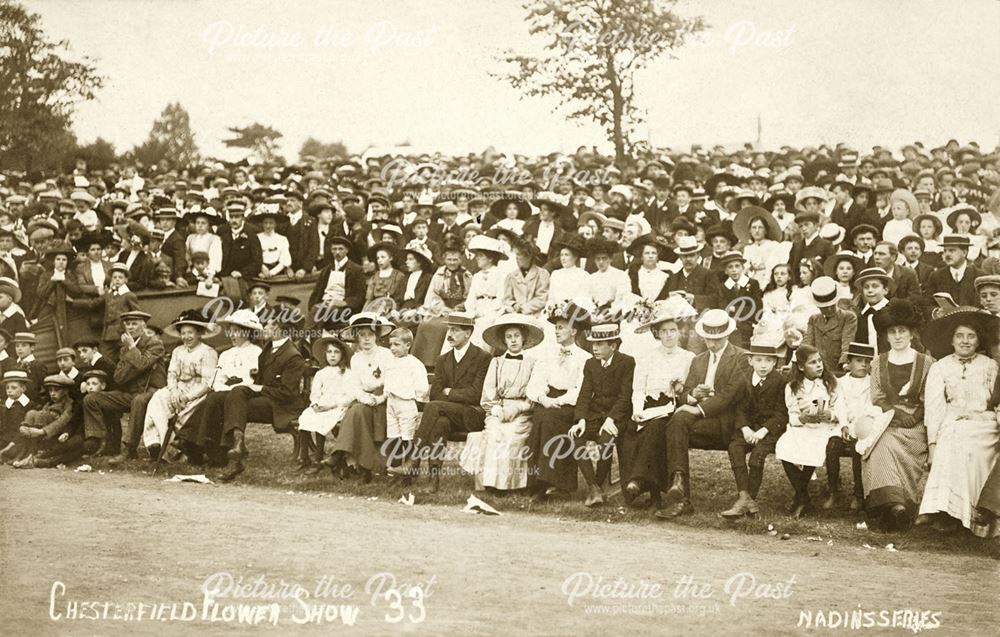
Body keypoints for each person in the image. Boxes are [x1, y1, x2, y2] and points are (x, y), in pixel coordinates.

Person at [190, 304, 306, 482]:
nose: (264, 327)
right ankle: (232, 447)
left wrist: (260, 388)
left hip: (282, 406)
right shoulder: (269, 349)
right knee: (230, 394)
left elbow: (288, 393)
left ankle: (234, 451)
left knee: (235, 398)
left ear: (279, 328)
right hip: (267, 399)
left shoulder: (292, 355)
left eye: (268, 324)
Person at [657, 310, 749, 519]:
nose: (712, 343)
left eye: (717, 339)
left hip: (728, 423)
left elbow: (730, 396)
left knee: (678, 422)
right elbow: (685, 394)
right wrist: (692, 396)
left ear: (727, 335)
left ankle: (679, 490)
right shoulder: (698, 360)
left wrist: (697, 408)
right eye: (709, 339)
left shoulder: (741, 358)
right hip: (702, 422)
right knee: (674, 423)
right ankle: (680, 489)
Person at [918, 307, 1000, 535]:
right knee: (954, 434)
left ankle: (971, 512)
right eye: (960, 336)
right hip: (951, 420)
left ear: (978, 340)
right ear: (951, 340)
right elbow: (934, 408)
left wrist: (984, 416)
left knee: (965, 438)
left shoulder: (990, 366)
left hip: (985, 423)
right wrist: (932, 445)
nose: (965, 341)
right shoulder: (940, 367)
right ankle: (943, 510)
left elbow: (995, 402)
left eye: (971, 336)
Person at [395, 312, 492, 492]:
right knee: (440, 422)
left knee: (434, 408)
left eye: (455, 330)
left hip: (472, 415)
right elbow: (435, 394)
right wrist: (452, 395)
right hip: (445, 414)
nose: (450, 334)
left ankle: (413, 461)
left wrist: (450, 392)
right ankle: (433, 480)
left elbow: (476, 395)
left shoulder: (483, 358)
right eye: (449, 329)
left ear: (468, 333)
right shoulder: (443, 359)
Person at [861, 300, 933, 531]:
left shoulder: (927, 363)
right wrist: (895, 414)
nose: (898, 336)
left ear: (912, 333)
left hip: (917, 426)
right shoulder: (877, 362)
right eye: (893, 332)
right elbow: (877, 396)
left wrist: (916, 414)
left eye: (902, 331)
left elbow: (930, 398)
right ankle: (894, 506)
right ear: (886, 336)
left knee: (890, 446)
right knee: (880, 444)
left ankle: (897, 505)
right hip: (888, 422)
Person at [621, 298, 696, 508]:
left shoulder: (688, 358)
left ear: (679, 331)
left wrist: (679, 388)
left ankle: (639, 481)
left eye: (673, 330)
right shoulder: (646, 358)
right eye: (664, 331)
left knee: (655, 429)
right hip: (646, 408)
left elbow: (687, 390)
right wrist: (636, 411)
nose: (669, 335)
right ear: (657, 334)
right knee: (630, 430)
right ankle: (645, 490)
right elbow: (638, 389)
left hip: (673, 408)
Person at [463, 314, 541, 491]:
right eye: (509, 337)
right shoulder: (496, 362)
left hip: (522, 412)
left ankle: (512, 485)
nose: (513, 340)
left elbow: (534, 393)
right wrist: (497, 409)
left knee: (512, 436)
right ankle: (491, 483)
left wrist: (519, 408)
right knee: (494, 435)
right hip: (498, 409)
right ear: (504, 341)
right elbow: (489, 391)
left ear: (523, 338)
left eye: (516, 336)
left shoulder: (533, 363)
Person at [526, 302, 590, 500]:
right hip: (547, 400)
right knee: (542, 416)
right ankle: (538, 482)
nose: (557, 331)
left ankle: (558, 484)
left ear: (574, 330)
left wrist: (560, 401)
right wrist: (543, 398)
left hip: (570, 404)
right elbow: (536, 381)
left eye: (561, 327)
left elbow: (581, 389)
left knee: (552, 419)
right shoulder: (547, 354)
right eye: (555, 327)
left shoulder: (585, 358)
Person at [82, 310, 166, 458]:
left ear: (144, 325)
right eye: (128, 324)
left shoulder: (155, 344)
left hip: (152, 393)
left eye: (135, 323)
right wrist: (132, 358)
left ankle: (129, 449)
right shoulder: (124, 349)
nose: (131, 327)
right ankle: (97, 440)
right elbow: (119, 377)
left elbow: (141, 364)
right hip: (132, 393)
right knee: (91, 398)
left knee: (138, 401)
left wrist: (132, 350)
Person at [137, 311, 220, 461]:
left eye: (190, 333)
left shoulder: (208, 352)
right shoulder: (178, 351)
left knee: (190, 410)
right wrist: (174, 392)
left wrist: (187, 397)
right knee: (158, 398)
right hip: (179, 388)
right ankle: (157, 444)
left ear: (199, 333)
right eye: (183, 333)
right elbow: (172, 374)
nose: (186, 337)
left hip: (198, 392)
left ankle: (179, 449)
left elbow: (209, 382)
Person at [323, 313, 395, 482]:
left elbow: (391, 382)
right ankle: (362, 467)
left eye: (370, 334)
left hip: (385, 401)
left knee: (356, 413)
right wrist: (365, 398)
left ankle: (340, 455)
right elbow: (356, 386)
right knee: (357, 412)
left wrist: (379, 398)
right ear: (356, 338)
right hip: (364, 401)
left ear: (376, 335)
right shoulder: (356, 359)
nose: (366, 339)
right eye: (362, 335)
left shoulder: (386, 355)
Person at [570, 323, 635, 507]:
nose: (594, 348)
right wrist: (580, 419)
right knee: (576, 437)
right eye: (593, 344)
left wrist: (611, 419)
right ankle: (594, 487)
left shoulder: (627, 362)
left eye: (599, 344)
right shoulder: (590, 364)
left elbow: (625, 397)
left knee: (606, 441)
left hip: (618, 416)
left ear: (613, 346)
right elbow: (584, 394)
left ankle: (597, 485)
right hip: (595, 415)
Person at [720, 338, 787, 518]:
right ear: (750, 361)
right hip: (749, 428)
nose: (763, 365)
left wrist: (763, 430)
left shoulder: (780, 381)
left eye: (768, 360)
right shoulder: (744, 378)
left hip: (769, 431)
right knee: (735, 447)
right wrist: (745, 428)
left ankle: (748, 500)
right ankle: (745, 498)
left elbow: (781, 414)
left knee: (757, 455)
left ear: (775, 362)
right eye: (758, 360)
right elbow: (739, 407)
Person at [775, 345, 841, 518]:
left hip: (823, 428)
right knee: (784, 447)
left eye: (820, 361)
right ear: (802, 367)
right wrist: (802, 419)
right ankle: (803, 496)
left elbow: (840, 408)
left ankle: (801, 498)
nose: (819, 365)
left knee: (814, 448)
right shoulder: (793, 387)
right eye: (813, 363)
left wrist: (831, 414)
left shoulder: (830, 383)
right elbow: (792, 414)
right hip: (802, 427)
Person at [822, 342, 874, 512]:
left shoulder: (872, 383)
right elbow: (839, 406)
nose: (863, 365)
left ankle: (859, 494)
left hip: (861, 427)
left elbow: (869, 407)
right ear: (849, 363)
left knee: (857, 450)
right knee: (832, 447)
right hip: (841, 425)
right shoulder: (840, 383)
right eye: (859, 361)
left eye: (867, 361)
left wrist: (854, 427)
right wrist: (844, 425)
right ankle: (833, 491)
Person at [296, 335, 355, 475]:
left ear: (342, 355)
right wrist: (315, 404)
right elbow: (315, 393)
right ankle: (304, 457)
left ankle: (318, 459)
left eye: (336, 352)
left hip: (337, 407)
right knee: (305, 419)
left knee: (321, 424)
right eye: (329, 352)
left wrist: (332, 406)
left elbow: (350, 395)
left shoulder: (347, 373)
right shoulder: (321, 373)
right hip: (321, 405)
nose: (332, 356)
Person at [381, 327, 429, 471]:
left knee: (406, 437)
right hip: (391, 403)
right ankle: (394, 468)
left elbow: (422, 387)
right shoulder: (390, 362)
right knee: (393, 436)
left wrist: (411, 395)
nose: (392, 348)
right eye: (390, 345)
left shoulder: (415, 364)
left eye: (396, 344)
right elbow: (387, 380)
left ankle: (408, 470)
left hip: (406, 404)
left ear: (407, 345)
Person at [9, 375, 76, 469]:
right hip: (40, 431)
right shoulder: (49, 403)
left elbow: (63, 421)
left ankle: (32, 454)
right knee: (31, 413)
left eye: (56, 390)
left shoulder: (69, 404)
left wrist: (42, 431)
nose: (52, 393)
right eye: (50, 390)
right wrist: (25, 426)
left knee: (41, 415)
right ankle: (25, 452)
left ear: (65, 391)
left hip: (55, 433)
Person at [308, 236, 367, 332]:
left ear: (347, 250)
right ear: (331, 251)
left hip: (342, 307)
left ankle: (304, 340)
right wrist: (313, 305)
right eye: (334, 249)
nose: (337, 252)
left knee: (319, 311)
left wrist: (345, 302)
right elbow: (316, 292)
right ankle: (313, 340)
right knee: (316, 309)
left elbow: (360, 295)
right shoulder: (326, 270)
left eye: (341, 249)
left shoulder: (356, 270)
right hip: (324, 303)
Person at [802, 276, 859, 373]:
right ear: (817, 306)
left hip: (838, 369)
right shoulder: (813, 319)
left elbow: (847, 342)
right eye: (824, 307)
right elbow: (807, 343)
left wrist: (844, 364)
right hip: (816, 370)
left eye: (832, 305)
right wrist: (798, 360)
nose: (829, 310)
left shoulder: (848, 317)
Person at [99, 263, 141, 361]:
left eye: (120, 277)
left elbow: (137, 314)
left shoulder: (128, 295)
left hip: (122, 334)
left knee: (124, 358)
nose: (117, 279)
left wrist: (131, 331)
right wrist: (73, 301)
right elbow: (94, 303)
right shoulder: (109, 294)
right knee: (106, 358)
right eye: (115, 277)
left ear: (126, 280)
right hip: (108, 334)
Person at [925, 235, 982, 306]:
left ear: (964, 252)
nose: (947, 254)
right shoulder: (936, 276)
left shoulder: (979, 276)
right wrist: (936, 312)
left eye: (952, 250)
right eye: (945, 251)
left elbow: (982, 305)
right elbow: (927, 303)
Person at [0, 370, 41, 464]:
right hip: (4, 438)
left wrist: (12, 443)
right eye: (7, 388)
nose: (9, 390)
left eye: (14, 388)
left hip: (19, 440)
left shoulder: (30, 405)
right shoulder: (3, 405)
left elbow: (26, 428)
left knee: (14, 450)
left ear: (23, 388)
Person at [502, 238, 549, 317]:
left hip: (535, 314)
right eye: (515, 254)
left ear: (529, 256)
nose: (516, 258)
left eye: (519, 254)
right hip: (515, 314)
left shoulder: (542, 274)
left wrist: (523, 308)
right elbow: (507, 299)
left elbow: (542, 298)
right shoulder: (511, 276)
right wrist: (514, 304)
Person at [365, 242, 407, 308]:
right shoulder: (375, 277)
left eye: (383, 257)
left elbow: (399, 299)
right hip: (375, 307)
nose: (380, 260)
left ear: (390, 258)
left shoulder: (398, 275)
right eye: (378, 258)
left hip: (392, 307)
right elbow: (369, 299)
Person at [10, 332, 47, 403]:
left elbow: (43, 388)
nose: (19, 349)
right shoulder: (13, 365)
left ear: (32, 348)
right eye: (17, 346)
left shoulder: (38, 365)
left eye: (23, 345)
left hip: (34, 402)